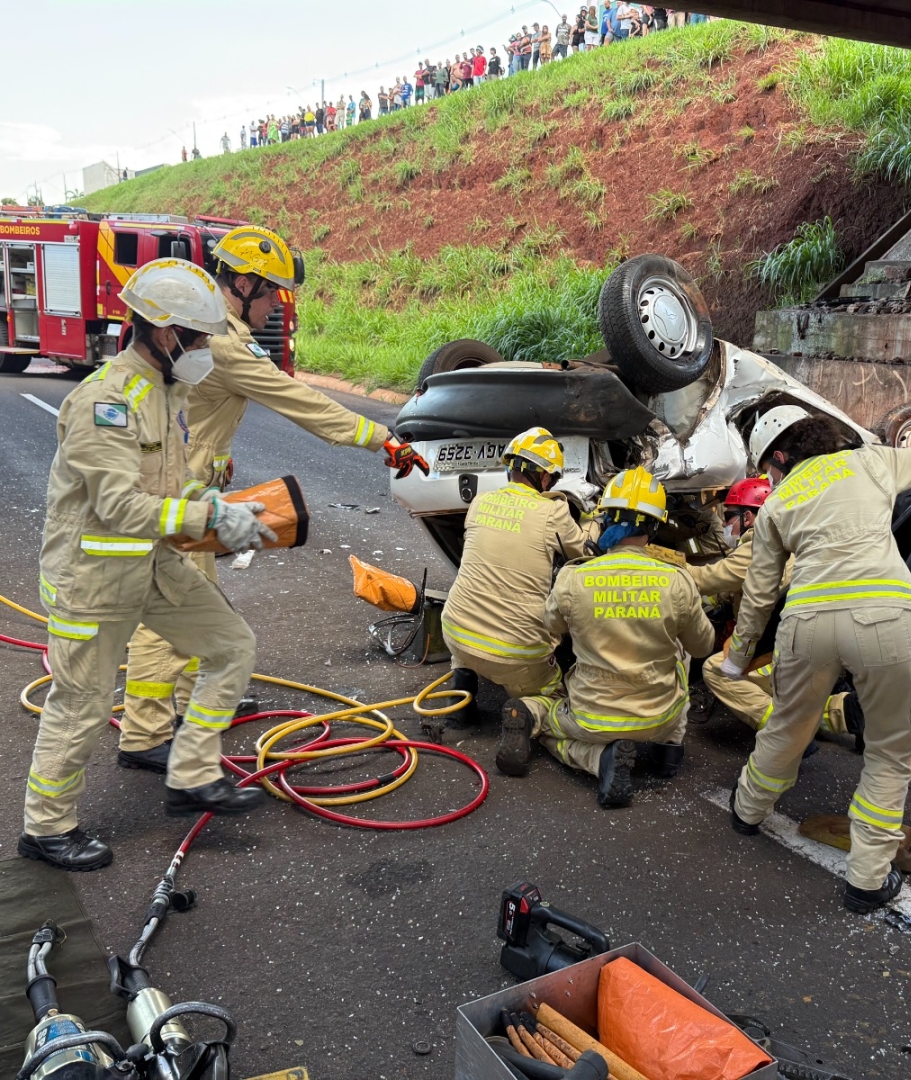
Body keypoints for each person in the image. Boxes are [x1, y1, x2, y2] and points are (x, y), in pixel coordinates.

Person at [118, 227, 429, 774]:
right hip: (173, 495)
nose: (276, 307)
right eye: (270, 295)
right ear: (241, 282)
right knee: (168, 614)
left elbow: (193, 410)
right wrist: (382, 438)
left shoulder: (208, 330)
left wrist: (214, 455)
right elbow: (301, 400)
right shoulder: (225, 341)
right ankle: (143, 736)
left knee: (198, 602)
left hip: (187, 483)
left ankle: (192, 704)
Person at [20, 259, 273, 872]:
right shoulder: (106, 402)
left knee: (231, 645)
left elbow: (167, 483)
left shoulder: (166, 392)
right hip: (92, 582)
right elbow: (118, 505)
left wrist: (209, 501)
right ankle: (46, 829)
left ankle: (190, 774)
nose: (207, 347)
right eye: (200, 336)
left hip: (150, 569)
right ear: (166, 335)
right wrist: (209, 522)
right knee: (80, 705)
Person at [721, 406, 911, 913]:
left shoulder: (780, 500)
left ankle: (747, 810)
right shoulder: (871, 462)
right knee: (890, 750)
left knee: (787, 725)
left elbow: (759, 596)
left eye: (769, 468)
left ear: (781, 456)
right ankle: (867, 880)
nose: (771, 478)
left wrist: (737, 662)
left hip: (806, 625)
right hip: (886, 620)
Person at [496, 467, 716, 808]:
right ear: (655, 527)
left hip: (591, 718)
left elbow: (551, 627)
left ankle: (595, 757)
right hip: (660, 719)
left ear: (605, 520)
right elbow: (703, 645)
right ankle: (670, 750)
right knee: (681, 654)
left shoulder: (574, 577)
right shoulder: (678, 581)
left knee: (547, 726)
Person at [695, 478, 862, 744]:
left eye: (728, 517)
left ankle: (789, 733)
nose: (725, 525)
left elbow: (709, 579)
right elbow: (732, 591)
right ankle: (842, 705)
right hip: (818, 644)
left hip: (784, 650)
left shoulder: (757, 546)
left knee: (718, 670)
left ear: (747, 517)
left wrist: (667, 572)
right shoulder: (794, 540)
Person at [441, 428, 586, 717]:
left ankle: (461, 697)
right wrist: (592, 523)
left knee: (469, 619)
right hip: (517, 655)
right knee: (554, 697)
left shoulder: (479, 502)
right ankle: (524, 712)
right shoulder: (553, 512)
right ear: (545, 477)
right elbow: (584, 555)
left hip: (455, 634)